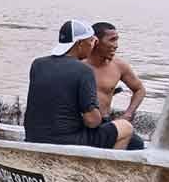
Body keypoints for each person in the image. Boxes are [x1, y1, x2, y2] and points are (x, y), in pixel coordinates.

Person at [24, 20, 134, 149]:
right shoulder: (83, 70)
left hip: (33, 136)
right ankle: (104, 167)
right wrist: (100, 115)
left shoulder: (38, 64)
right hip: (68, 140)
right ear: (80, 44)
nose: (93, 46)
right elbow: (92, 122)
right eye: (91, 41)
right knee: (126, 128)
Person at [86, 21, 146, 150]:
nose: (116, 46)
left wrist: (128, 113)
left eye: (117, 40)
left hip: (105, 121)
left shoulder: (119, 65)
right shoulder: (79, 65)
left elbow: (139, 89)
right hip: (84, 122)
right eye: (112, 40)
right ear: (95, 41)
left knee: (137, 144)